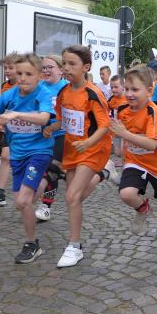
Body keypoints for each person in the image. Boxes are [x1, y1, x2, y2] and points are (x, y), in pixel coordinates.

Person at [0, 53, 54, 263]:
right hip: (18, 155)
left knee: (23, 200)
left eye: (29, 74)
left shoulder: (43, 94)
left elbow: (44, 118)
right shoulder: (8, 96)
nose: (23, 78)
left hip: (39, 152)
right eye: (19, 73)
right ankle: (44, 183)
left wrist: (15, 115)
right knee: (21, 204)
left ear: (39, 76)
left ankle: (30, 244)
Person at [45, 45, 117, 267]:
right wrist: (51, 127)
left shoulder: (93, 94)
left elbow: (104, 126)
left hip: (94, 148)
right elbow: (63, 120)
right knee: (75, 197)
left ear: (86, 67)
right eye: (64, 63)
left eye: (72, 64)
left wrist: (88, 143)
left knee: (72, 197)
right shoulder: (63, 92)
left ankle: (74, 247)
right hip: (73, 148)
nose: (66, 68)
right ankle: (104, 174)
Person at [110, 65, 157, 245]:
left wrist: (125, 135)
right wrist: (120, 148)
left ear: (149, 91)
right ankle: (143, 208)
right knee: (126, 194)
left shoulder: (154, 111)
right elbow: (117, 130)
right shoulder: (122, 109)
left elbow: (153, 144)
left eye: (135, 90)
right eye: (127, 89)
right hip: (135, 161)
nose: (129, 94)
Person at [34, 55, 70, 222]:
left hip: (62, 134)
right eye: (44, 68)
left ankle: (46, 207)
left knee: (51, 169)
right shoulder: (39, 87)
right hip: (42, 135)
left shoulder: (67, 88)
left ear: (61, 70)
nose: (46, 70)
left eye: (50, 67)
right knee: (47, 170)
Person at [0, 53, 20, 207]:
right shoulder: (4, 86)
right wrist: (1, 121)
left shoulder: (26, 85)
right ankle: (0, 194)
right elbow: (4, 107)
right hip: (10, 128)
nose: (7, 71)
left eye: (10, 68)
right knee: (5, 157)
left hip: (26, 130)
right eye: (5, 68)